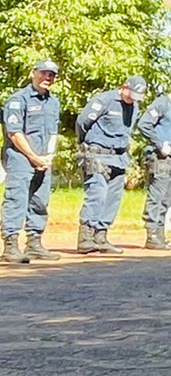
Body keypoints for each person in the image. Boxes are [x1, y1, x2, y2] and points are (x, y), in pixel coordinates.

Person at [75, 74, 147, 256]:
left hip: (119, 157)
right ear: (124, 87)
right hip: (97, 154)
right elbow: (82, 122)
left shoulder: (134, 106)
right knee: (97, 193)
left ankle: (101, 235)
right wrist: (87, 144)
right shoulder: (104, 100)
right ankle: (85, 236)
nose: (133, 99)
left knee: (113, 198)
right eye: (131, 95)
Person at [2, 60, 63, 265]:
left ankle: (34, 243)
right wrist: (33, 157)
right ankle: (10, 245)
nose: (48, 78)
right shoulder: (18, 100)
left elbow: (53, 132)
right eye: (44, 73)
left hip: (43, 160)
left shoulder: (53, 102)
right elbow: (14, 133)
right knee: (16, 200)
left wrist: (49, 156)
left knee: (40, 201)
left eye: (52, 75)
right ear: (33, 73)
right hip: (20, 158)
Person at [135, 80, 171, 250]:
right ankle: (152, 235)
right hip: (159, 157)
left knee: (167, 198)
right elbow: (144, 124)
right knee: (157, 196)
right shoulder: (161, 103)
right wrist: (159, 145)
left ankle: (160, 235)